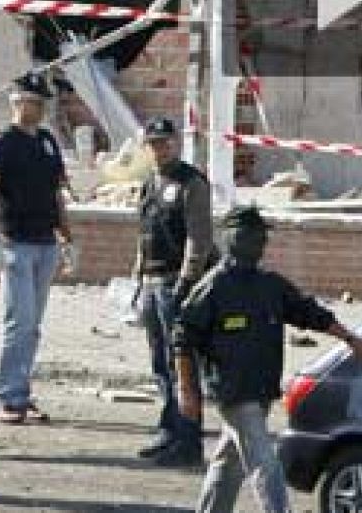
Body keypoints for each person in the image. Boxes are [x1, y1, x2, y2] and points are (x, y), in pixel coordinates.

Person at [175, 206, 362, 513]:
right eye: (252, 236)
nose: (259, 243)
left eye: (261, 237)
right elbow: (183, 337)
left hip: (262, 389)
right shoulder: (214, 287)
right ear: (233, 238)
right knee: (264, 461)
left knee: (229, 462)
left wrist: (353, 341)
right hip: (234, 392)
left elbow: (310, 313)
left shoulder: (270, 285)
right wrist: (186, 389)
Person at [0, 72, 74, 425]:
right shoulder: (2, 142)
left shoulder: (46, 142)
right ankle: (5, 395)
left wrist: (68, 237)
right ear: (16, 103)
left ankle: (20, 390)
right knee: (18, 321)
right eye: (31, 101)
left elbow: (56, 194)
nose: (37, 108)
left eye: (40, 102)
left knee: (32, 325)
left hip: (45, 242)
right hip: (15, 242)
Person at [132, 117, 214, 467]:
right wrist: (137, 277)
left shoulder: (191, 182)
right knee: (160, 362)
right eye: (153, 144)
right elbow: (144, 232)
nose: (159, 149)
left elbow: (199, 236)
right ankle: (169, 430)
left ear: (176, 143)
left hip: (175, 282)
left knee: (182, 362)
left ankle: (188, 439)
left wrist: (187, 279)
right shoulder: (150, 182)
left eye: (164, 142)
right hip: (152, 281)